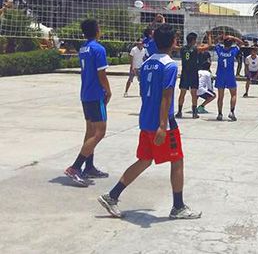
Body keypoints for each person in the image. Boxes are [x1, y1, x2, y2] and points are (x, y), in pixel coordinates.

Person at [97, 24, 201, 220]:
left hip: (145, 119)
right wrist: (163, 126)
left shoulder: (145, 65)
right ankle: (178, 207)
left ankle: (112, 196)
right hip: (163, 123)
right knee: (177, 160)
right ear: (173, 42)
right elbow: (166, 97)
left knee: (145, 160)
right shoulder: (169, 65)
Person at [64, 19, 112, 186]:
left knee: (90, 131)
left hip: (85, 93)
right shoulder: (98, 49)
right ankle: (75, 167)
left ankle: (89, 167)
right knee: (100, 132)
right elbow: (101, 75)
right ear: (96, 30)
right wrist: (108, 90)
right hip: (95, 94)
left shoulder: (83, 48)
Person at [215, 34, 245, 121]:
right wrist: (233, 37)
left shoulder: (219, 50)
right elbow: (241, 43)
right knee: (234, 94)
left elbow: (215, 41)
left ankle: (220, 114)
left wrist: (221, 36)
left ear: (223, 43)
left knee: (220, 96)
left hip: (220, 75)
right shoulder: (233, 50)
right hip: (230, 75)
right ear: (231, 44)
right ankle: (232, 112)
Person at [176, 33, 201, 119]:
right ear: (193, 40)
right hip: (193, 73)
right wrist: (209, 36)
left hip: (185, 73)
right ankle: (194, 113)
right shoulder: (196, 49)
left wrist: (176, 37)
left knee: (182, 93)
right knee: (194, 93)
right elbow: (208, 46)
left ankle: (179, 112)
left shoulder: (182, 49)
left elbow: (173, 47)